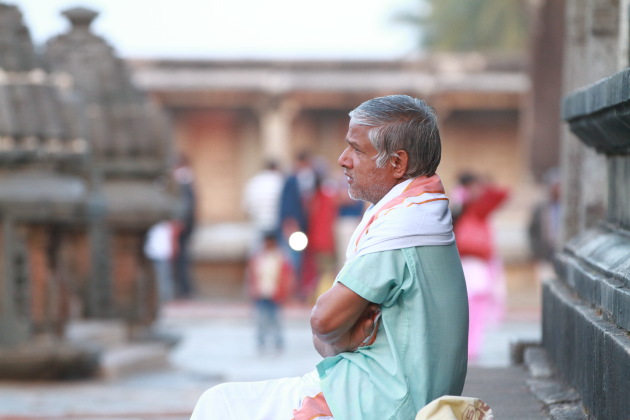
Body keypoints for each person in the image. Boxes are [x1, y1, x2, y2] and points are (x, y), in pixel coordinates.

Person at [190, 95, 468, 420]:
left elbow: (323, 320)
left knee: (219, 403)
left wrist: (342, 337)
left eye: (357, 149)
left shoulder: (404, 227)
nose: (343, 159)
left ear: (397, 163)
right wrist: (340, 338)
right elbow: (327, 331)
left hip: (379, 401)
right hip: (388, 393)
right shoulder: (421, 214)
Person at [451, 171, 509, 361]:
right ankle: (464, 349)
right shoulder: (460, 209)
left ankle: (471, 349)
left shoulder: (478, 209)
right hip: (462, 264)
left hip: (478, 266)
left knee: (477, 309)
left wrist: (482, 186)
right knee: (464, 310)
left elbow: (502, 195)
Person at [245, 232, 294, 355]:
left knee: (275, 320)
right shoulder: (258, 257)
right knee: (261, 320)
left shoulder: (280, 257)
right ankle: (261, 342)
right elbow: (251, 274)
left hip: (275, 294)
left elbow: (286, 275)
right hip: (261, 293)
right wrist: (252, 289)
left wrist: (285, 291)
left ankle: (278, 341)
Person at [242, 160, 285, 251]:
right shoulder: (280, 180)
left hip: (259, 221)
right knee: (279, 252)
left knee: (257, 252)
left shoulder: (254, 182)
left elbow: (246, 205)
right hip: (276, 222)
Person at [172, 156, 197, 299]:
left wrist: (180, 223)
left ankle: (184, 289)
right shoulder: (188, 181)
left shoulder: (183, 181)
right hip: (187, 226)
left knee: (181, 259)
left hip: (182, 227)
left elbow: (186, 206)